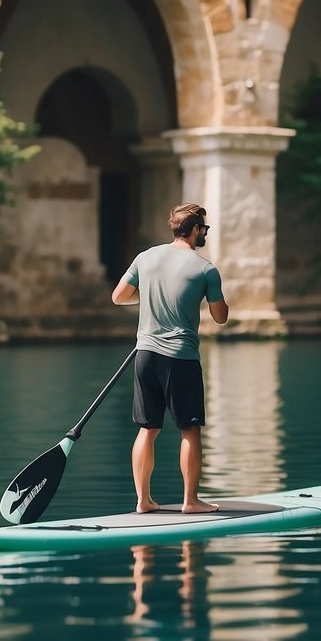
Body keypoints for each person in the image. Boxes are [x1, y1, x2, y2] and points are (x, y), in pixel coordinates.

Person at [111, 203, 229, 514]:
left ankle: (143, 501)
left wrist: (148, 291)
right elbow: (220, 317)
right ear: (194, 230)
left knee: (147, 429)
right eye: (203, 228)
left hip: (145, 355)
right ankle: (191, 501)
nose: (203, 233)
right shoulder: (206, 269)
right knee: (189, 430)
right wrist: (207, 294)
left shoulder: (145, 258)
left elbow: (118, 296)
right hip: (181, 358)